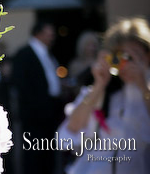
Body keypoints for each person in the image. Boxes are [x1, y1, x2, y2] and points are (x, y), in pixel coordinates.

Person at [57, 17, 150, 174]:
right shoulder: (105, 90)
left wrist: (143, 87)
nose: (127, 64)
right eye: (121, 57)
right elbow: (69, 132)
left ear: (147, 57)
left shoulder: (146, 89)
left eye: (134, 56)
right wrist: (99, 86)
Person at [12, 20, 64, 174]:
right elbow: (20, 84)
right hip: (34, 116)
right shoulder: (24, 53)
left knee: (47, 155)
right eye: (49, 33)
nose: (52, 37)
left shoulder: (47, 54)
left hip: (49, 112)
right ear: (39, 33)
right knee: (34, 156)